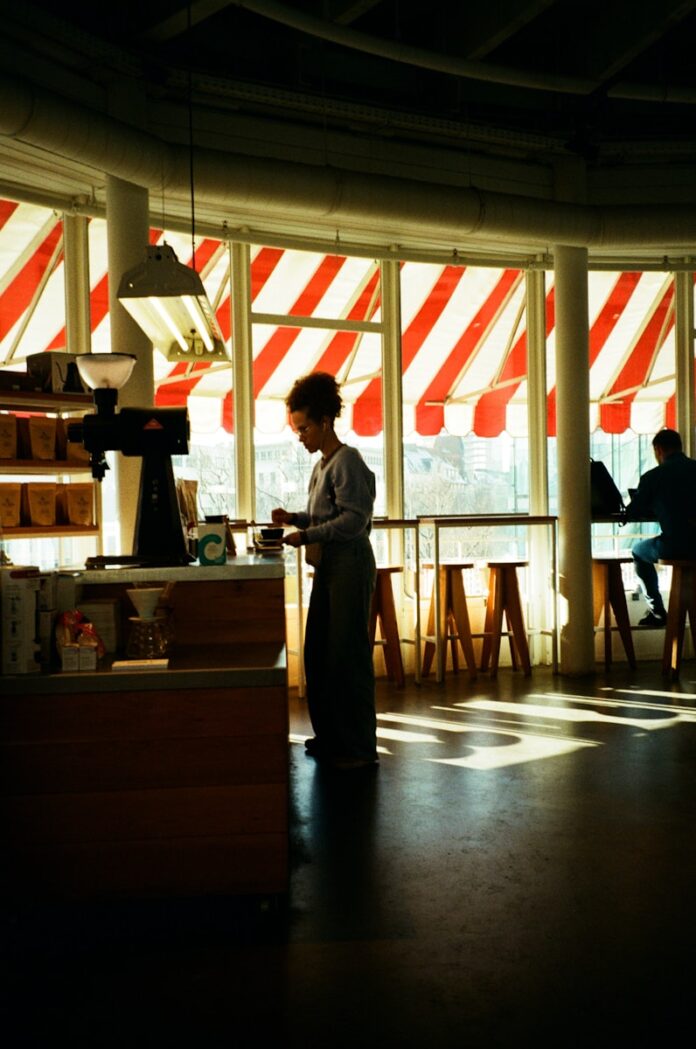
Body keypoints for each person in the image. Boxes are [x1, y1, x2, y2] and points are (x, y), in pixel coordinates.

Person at [271, 372, 378, 770]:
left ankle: (359, 748)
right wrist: (295, 517)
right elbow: (326, 513)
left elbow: (353, 520)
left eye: (303, 428)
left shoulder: (347, 461)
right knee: (320, 654)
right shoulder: (323, 466)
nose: (300, 436)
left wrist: (306, 533)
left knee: (347, 657)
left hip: (348, 567)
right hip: (330, 568)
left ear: (324, 422)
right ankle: (333, 736)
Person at [624, 428, 696, 626]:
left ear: (658, 450)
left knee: (638, 551)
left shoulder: (653, 476)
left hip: (676, 545)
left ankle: (657, 611)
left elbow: (634, 511)